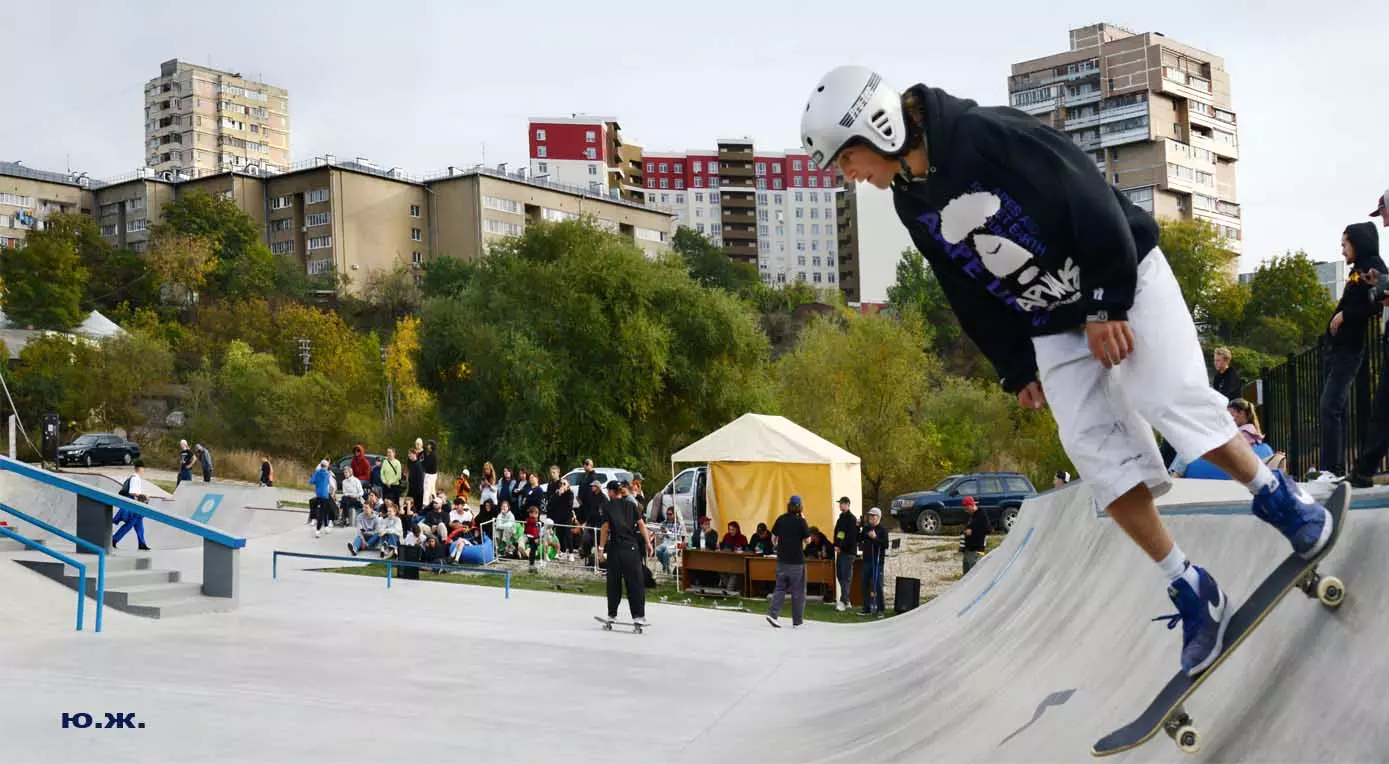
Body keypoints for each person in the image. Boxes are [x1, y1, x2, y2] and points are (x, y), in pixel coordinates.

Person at [798, 65, 1334, 676]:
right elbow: (963, 286)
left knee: (1165, 394)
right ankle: (1191, 586)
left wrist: (1105, 301)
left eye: (846, 159)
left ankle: (1276, 496)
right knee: (1094, 452)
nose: (847, 175)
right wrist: (1014, 364)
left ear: (877, 127)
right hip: (1049, 317)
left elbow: (1087, 191)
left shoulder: (983, 134)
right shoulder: (909, 199)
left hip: (1122, 271)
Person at [1314, 222, 1386, 482]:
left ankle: (1332, 468)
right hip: (1338, 347)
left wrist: (1346, 315)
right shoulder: (1358, 269)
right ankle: (1334, 467)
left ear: (1358, 243)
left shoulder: (1373, 266)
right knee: (1336, 408)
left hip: (1350, 349)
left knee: (1330, 405)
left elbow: (1378, 302)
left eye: (1345, 244)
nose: (1342, 250)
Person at [599, 480, 652, 626]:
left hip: (615, 548)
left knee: (614, 582)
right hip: (631, 548)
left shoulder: (607, 506)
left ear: (611, 492)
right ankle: (638, 616)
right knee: (635, 582)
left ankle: (612, 614)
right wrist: (648, 543)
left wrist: (601, 549)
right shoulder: (631, 504)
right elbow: (641, 524)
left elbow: (605, 528)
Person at [766, 495, 812, 629]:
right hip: (797, 561)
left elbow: (773, 538)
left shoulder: (781, 519)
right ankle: (797, 622)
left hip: (782, 560)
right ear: (800, 507)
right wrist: (804, 520)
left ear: (788, 505)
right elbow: (808, 540)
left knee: (780, 588)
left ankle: (773, 614)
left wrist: (778, 546)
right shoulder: (801, 521)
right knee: (798, 592)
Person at [112, 461, 151, 551]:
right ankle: (114, 539)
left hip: (135, 503)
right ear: (140, 468)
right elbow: (132, 492)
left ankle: (142, 543)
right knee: (130, 524)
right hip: (133, 504)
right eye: (143, 468)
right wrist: (143, 496)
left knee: (139, 524)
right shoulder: (135, 478)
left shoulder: (134, 477)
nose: (143, 470)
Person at [858, 507, 889, 616]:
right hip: (867, 560)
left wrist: (875, 538)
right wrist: (858, 527)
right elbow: (859, 538)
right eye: (870, 515)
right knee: (864, 584)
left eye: (873, 515)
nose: (871, 517)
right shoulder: (866, 528)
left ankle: (880, 609)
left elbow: (885, 544)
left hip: (877, 561)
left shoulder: (882, 530)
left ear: (878, 517)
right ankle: (866, 608)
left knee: (878, 585)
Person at [832, 496, 859, 612]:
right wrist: (835, 545)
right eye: (840, 503)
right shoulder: (841, 518)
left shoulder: (852, 519)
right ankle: (846, 600)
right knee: (840, 575)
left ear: (848, 504)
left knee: (846, 576)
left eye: (842, 503)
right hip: (840, 551)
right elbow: (837, 533)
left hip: (848, 552)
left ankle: (844, 601)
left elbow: (851, 538)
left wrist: (841, 546)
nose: (840, 505)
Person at [960, 496, 991, 575]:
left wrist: (973, 531)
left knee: (973, 573)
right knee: (966, 572)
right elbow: (966, 528)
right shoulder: (969, 515)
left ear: (971, 505)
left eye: (967, 508)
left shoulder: (981, 514)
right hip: (968, 548)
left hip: (977, 549)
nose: (966, 511)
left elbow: (988, 529)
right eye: (965, 509)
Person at [308, 459, 335, 538]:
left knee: (325, 510)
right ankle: (317, 531)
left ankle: (326, 527)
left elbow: (311, 481)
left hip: (318, 494)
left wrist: (316, 480)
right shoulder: (327, 474)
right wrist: (332, 493)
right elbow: (332, 486)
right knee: (322, 513)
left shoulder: (316, 473)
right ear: (326, 467)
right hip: (325, 496)